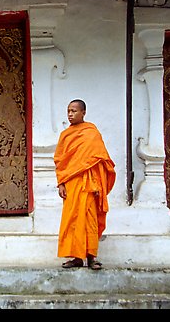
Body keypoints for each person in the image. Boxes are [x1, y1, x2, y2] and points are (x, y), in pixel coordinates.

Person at [53, 99, 116, 270]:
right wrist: (61, 183)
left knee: (90, 220)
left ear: (83, 113)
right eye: (68, 111)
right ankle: (76, 257)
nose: (70, 114)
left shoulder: (92, 133)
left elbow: (101, 161)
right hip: (72, 184)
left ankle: (91, 257)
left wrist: (100, 185)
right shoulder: (65, 135)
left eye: (74, 111)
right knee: (73, 219)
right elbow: (60, 161)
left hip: (90, 185)